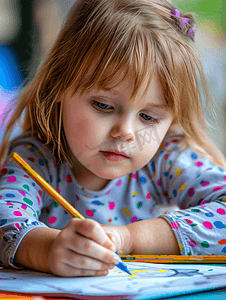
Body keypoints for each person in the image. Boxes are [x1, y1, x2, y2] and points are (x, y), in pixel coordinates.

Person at [0, 0, 226, 278]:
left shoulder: (165, 157)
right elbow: (5, 219)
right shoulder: (36, 158)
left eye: (149, 117)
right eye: (104, 106)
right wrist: (49, 249)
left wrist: (130, 238)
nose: (126, 132)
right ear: (58, 84)